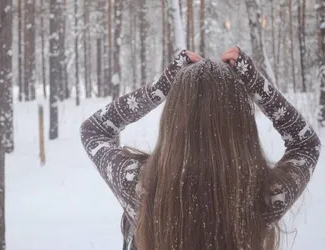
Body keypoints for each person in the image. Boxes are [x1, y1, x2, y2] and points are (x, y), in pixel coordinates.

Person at [80, 47, 321, 250]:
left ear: (173, 121)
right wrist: (256, 84)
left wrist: (160, 87)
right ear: (242, 127)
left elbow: (94, 131)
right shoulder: (260, 198)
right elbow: (306, 144)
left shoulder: (143, 189)